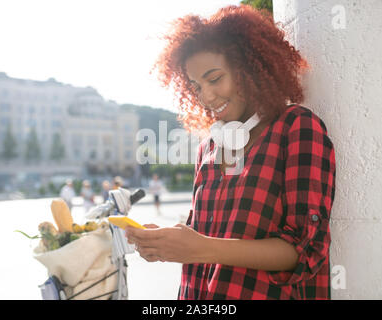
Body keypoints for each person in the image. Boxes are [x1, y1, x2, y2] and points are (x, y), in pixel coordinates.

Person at [125, 5, 336, 300]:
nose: (206, 96)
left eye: (214, 79)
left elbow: (304, 251)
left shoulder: (297, 128)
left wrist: (200, 247)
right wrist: (166, 245)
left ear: (248, 69)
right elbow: (202, 238)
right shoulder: (208, 148)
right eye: (196, 86)